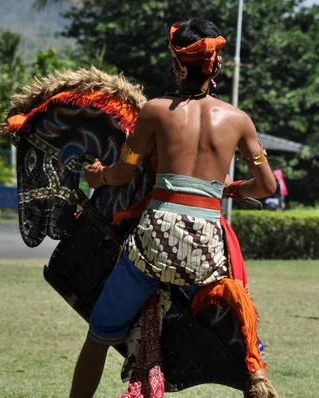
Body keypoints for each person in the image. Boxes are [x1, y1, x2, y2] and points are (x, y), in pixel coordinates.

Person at [70, 18, 278, 398]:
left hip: (156, 242)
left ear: (177, 65)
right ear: (215, 65)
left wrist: (98, 177)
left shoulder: (155, 112)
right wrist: (227, 190)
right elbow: (267, 186)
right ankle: (256, 370)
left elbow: (121, 174)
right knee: (239, 336)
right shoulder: (238, 120)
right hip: (205, 248)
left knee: (99, 333)